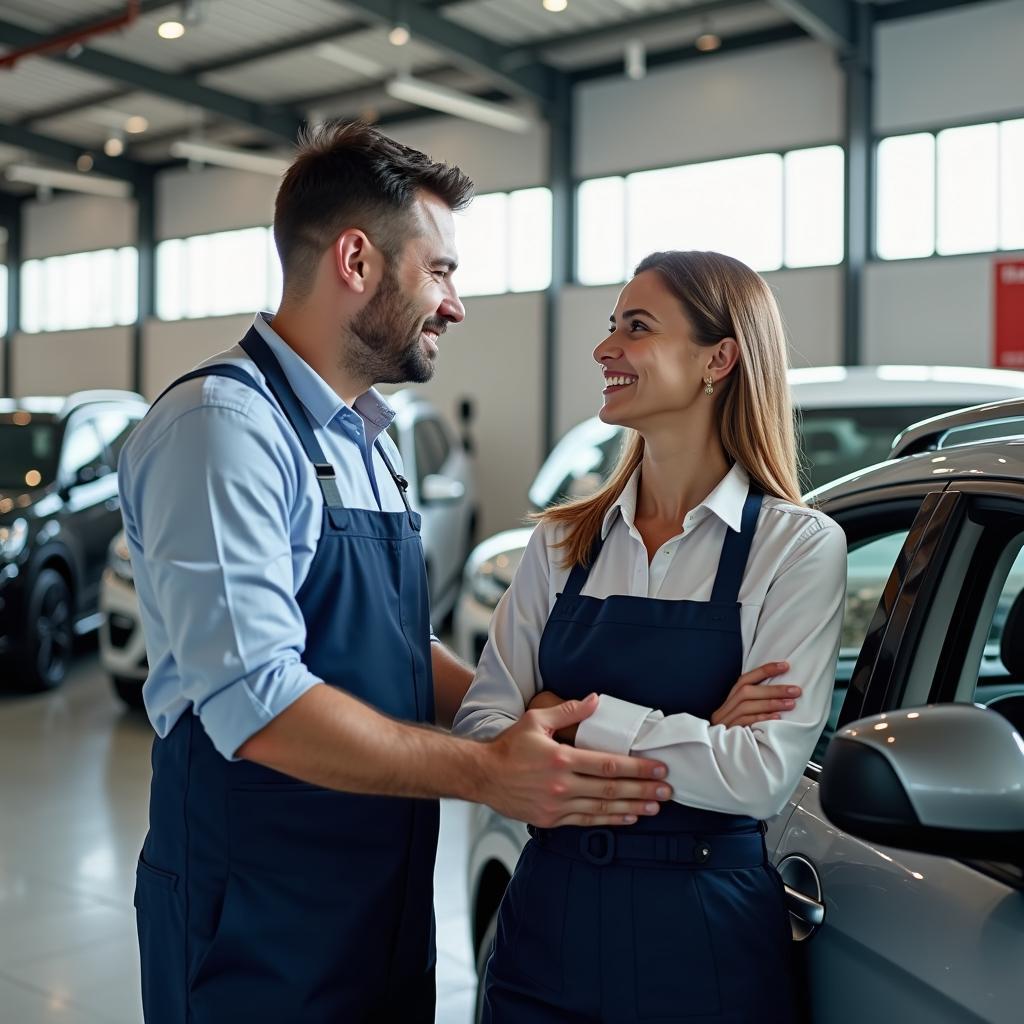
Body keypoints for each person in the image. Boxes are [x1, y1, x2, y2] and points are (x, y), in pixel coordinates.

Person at [119, 122, 674, 1024]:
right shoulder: (223, 429)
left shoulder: (366, 437)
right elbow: (255, 697)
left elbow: (383, 644)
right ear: (356, 260)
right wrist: (487, 771)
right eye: (440, 269)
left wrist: (521, 708)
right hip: (256, 924)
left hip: (375, 910)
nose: (454, 304)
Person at [454, 250, 848, 1023]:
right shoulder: (562, 542)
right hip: (549, 923)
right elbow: (484, 727)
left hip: (705, 936)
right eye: (611, 328)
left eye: (636, 328)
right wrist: (698, 737)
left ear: (718, 359)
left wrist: (572, 714)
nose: (606, 349)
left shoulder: (797, 547)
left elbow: (759, 775)